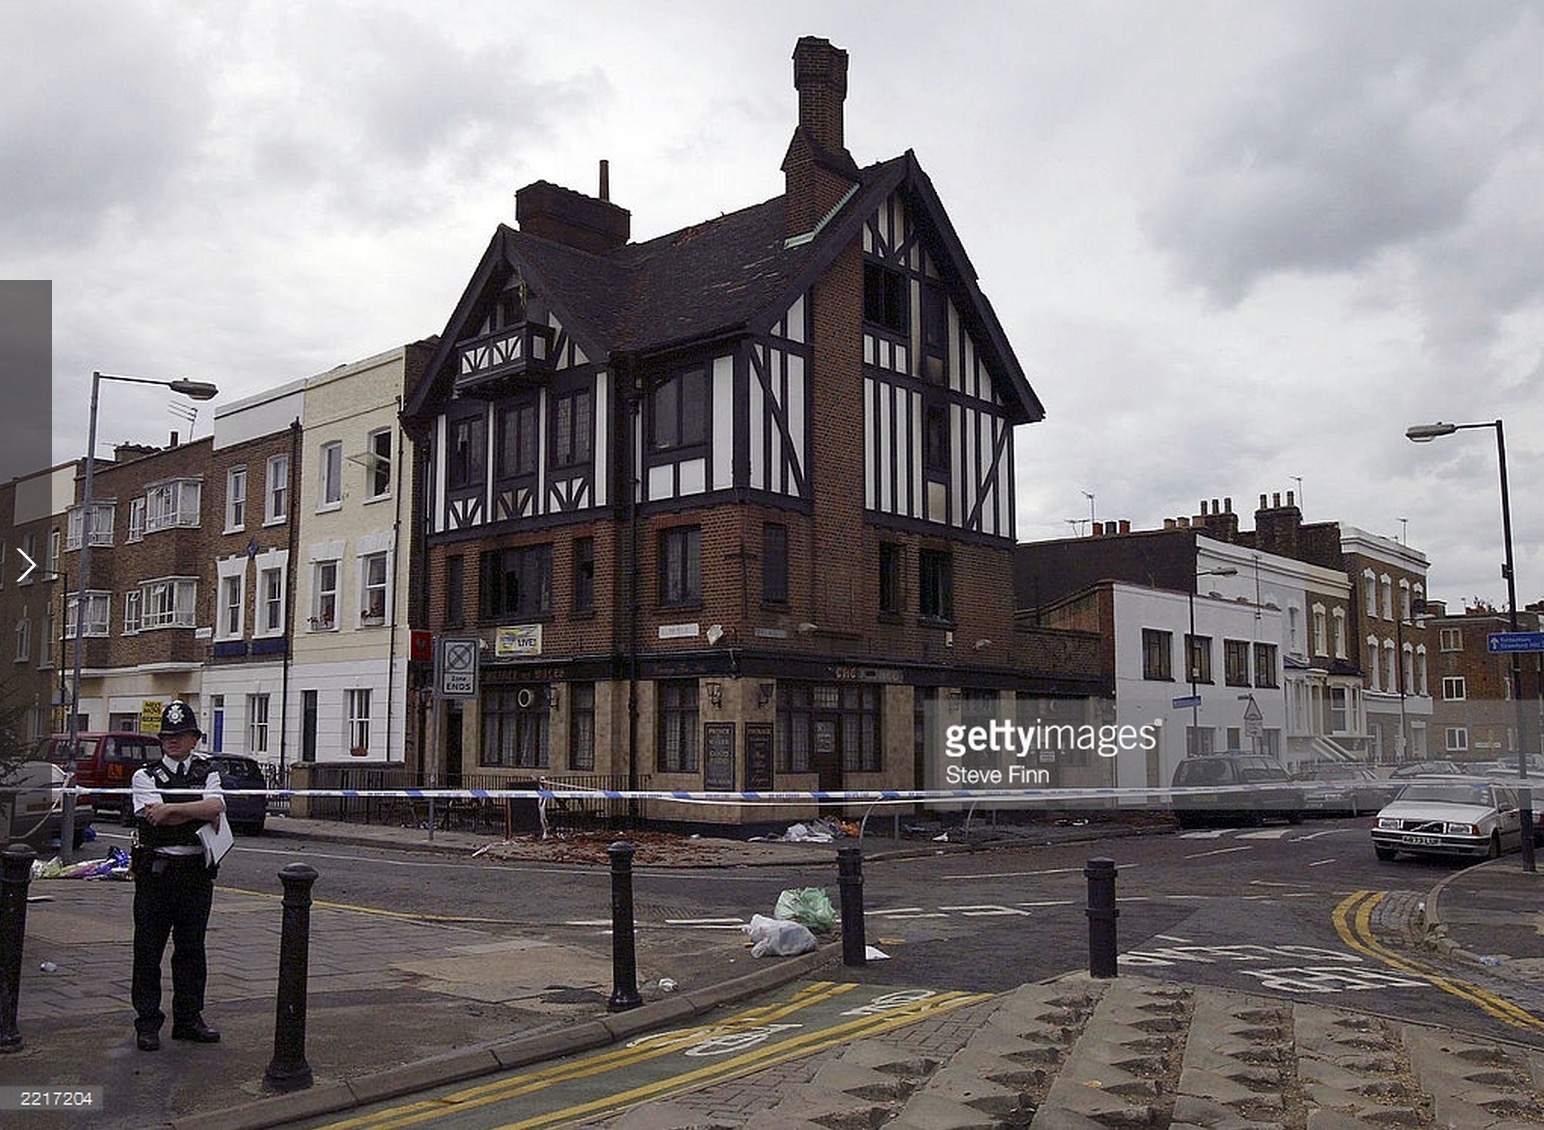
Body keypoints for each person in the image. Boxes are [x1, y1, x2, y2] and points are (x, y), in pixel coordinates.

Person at [130, 700, 225, 1052]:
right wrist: (192, 811)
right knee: (148, 950)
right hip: (157, 873)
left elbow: (215, 806)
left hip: (195, 873)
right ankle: (147, 1022)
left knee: (191, 950)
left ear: (194, 739)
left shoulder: (208, 772)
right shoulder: (145, 775)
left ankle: (188, 1018)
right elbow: (154, 817)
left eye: (180, 735)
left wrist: (171, 807)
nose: (172, 741)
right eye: (167, 735)